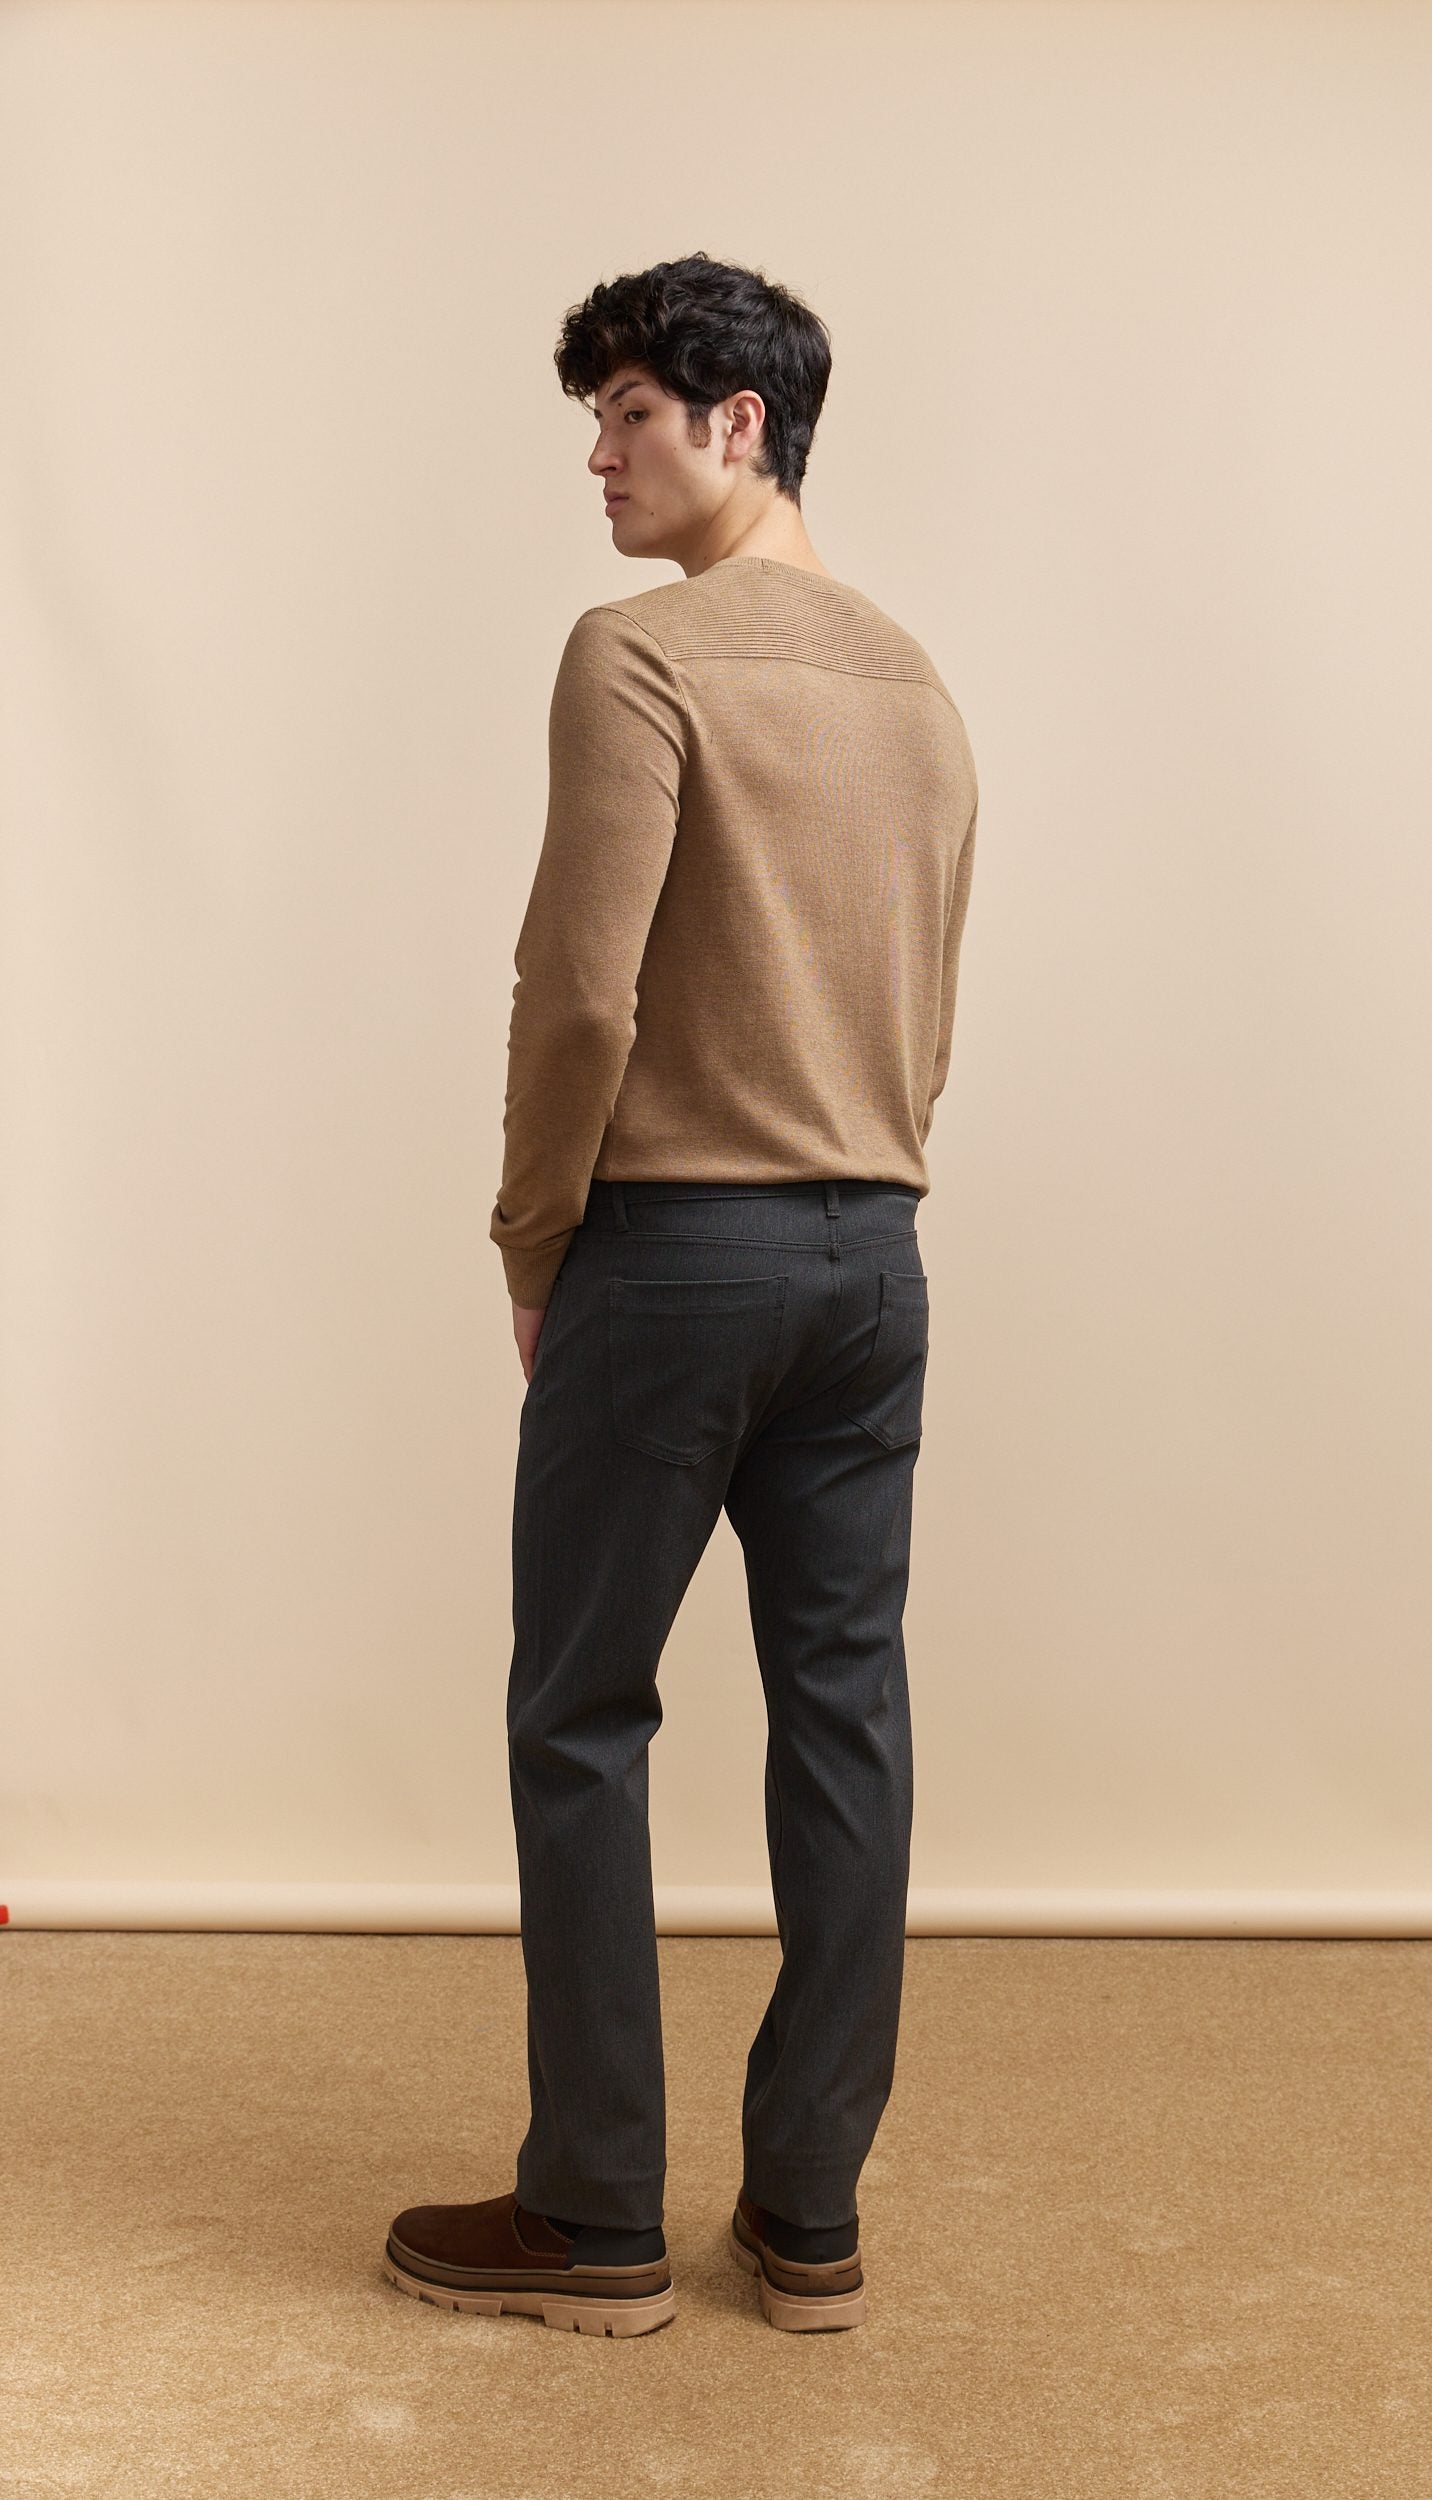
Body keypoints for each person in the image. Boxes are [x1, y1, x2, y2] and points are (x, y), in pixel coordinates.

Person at [384, 252, 978, 2337]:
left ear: (742, 422)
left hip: (673, 1252)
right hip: (874, 1254)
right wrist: (862, 1167)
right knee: (847, 1715)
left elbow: (582, 991)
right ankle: (808, 2215)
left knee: (581, 1710)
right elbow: (927, 1002)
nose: (600, 456)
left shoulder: (638, 654)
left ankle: (596, 2214)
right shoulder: (919, 685)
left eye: (630, 412)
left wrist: (535, 1235)